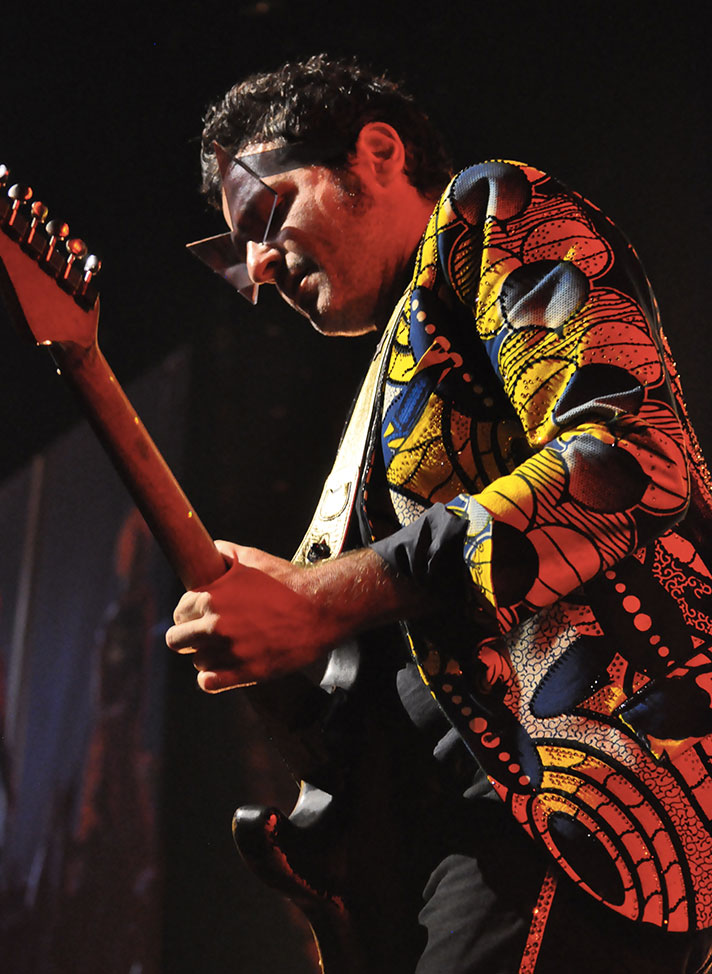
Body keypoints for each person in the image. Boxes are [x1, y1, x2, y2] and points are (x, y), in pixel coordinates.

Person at [165, 55, 712, 972]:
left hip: (573, 807)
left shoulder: (487, 208)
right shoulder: (379, 406)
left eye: (266, 212)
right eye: (237, 249)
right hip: (453, 845)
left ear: (377, 153)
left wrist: (319, 597)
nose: (256, 265)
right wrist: (273, 641)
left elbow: (628, 458)